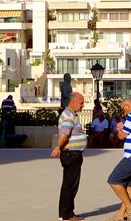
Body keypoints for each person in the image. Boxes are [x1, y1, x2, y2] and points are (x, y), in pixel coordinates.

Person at [50, 92, 86, 221]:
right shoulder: (69, 116)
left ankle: (67, 213)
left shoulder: (71, 114)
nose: (83, 105)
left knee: (69, 184)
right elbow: (64, 135)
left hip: (72, 153)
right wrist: (58, 147)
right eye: (81, 103)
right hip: (72, 154)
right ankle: (67, 214)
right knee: (70, 185)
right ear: (73, 102)